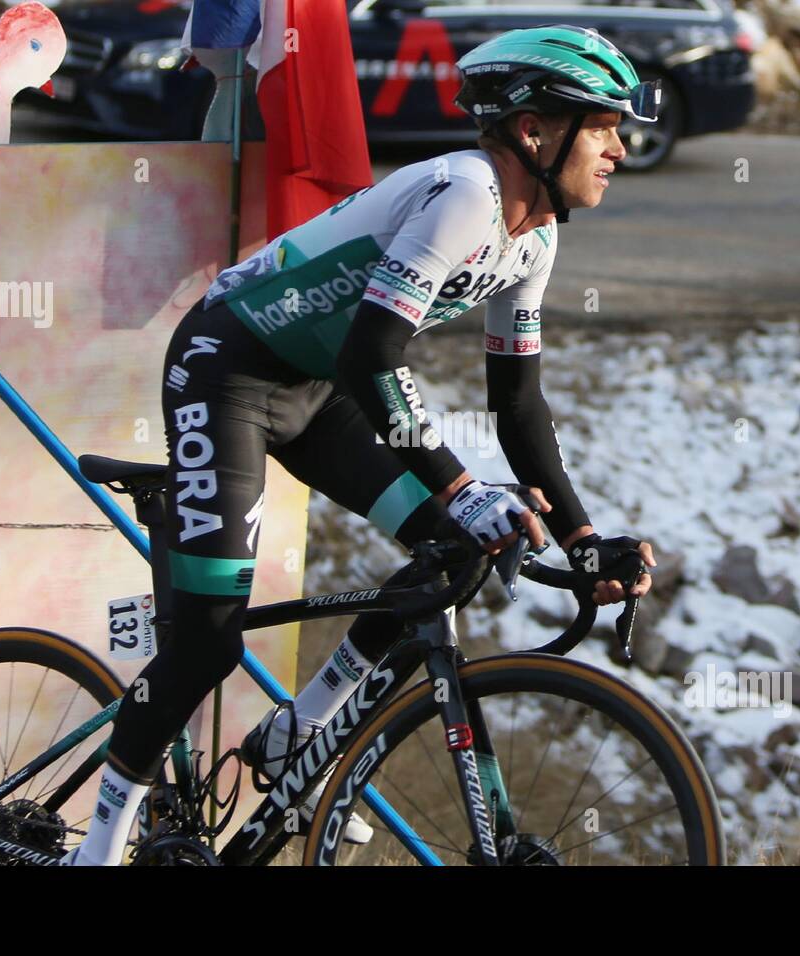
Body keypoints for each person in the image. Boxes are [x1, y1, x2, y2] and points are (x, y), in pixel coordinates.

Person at [65, 25, 663, 865]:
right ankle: (98, 848)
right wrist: (463, 487)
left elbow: (518, 400)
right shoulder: (464, 194)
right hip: (228, 369)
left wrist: (582, 535)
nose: (618, 149)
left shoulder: (535, 234)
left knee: (451, 551)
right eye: (602, 127)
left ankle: (298, 733)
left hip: (320, 391)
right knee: (208, 639)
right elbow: (373, 356)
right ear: (534, 130)